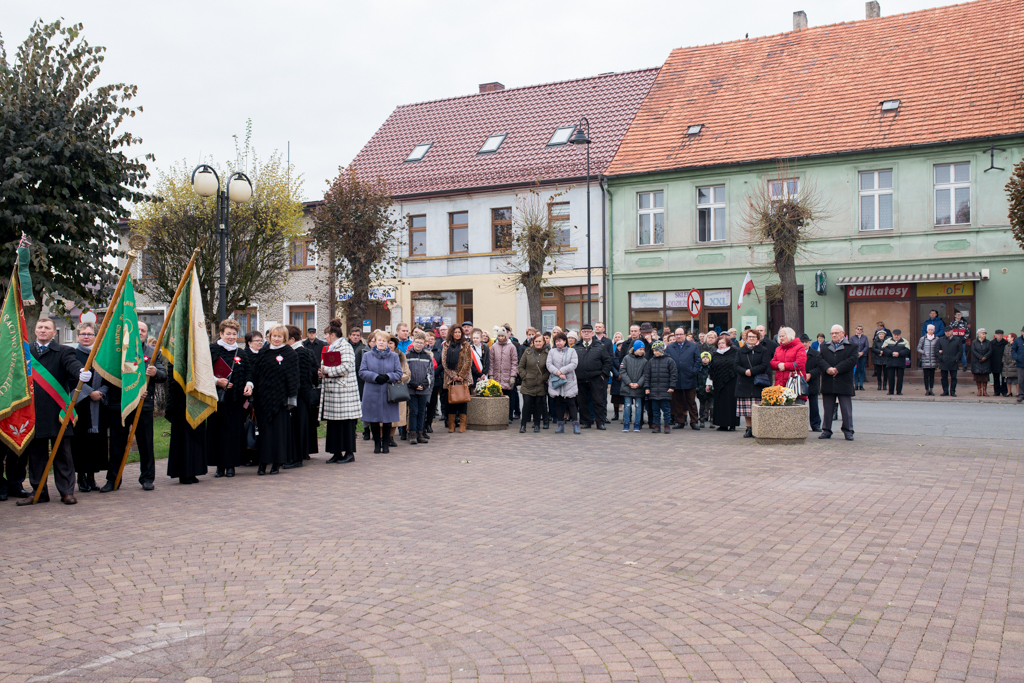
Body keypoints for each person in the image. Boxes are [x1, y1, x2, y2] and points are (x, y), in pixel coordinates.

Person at [18, 319, 88, 506]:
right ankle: (39, 491)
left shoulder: (64, 351)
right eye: (40, 327)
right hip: (33, 412)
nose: (43, 330)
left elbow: (71, 364)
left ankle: (66, 492)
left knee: (63, 454)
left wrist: (80, 371)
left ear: (54, 332)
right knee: (36, 455)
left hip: (58, 412)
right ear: (35, 330)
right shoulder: (25, 352)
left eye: (47, 328)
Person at [207, 319, 253, 479]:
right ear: (221, 334)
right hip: (217, 400)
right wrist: (216, 381)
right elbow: (204, 371)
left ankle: (231, 465)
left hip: (235, 401)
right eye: (228, 334)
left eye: (234, 334)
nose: (231, 337)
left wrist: (249, 385)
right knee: (217, 433)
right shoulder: (212, 349)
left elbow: (249, 372)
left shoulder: (240, 352)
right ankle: (219, 466)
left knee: (233, 433)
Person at [250, 325, 298, 474]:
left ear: (284, 338)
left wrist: (291, 398)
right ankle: (263, 463)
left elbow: (294, 377)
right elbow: (255, 374)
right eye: (274, 336)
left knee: (278, 432)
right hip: (263, 399)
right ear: (269, 337)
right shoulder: (263, 352)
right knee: (264, 433)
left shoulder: (290, 353)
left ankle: (277, 462)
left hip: (280, 400)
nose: (276, 339)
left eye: (279, 336)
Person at [70, 323, 107, 493]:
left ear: (95, 336)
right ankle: (81, 478)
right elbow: (70, 378)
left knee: (95, 443)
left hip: (99, 405)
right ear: (78, 336)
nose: (86, 336)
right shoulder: (72, 355)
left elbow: (109, 378)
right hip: (80, 405)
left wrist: (101, 392)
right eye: (83, 333)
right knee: (80, 442)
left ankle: (92, 477)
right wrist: (89, 392)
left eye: (90, 334)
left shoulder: (101, 356)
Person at [130, 321, 167, 490]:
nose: (140, 332)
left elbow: (163, 375)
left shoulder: (153, 353)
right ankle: (113, 478)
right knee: (118, 443)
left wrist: (155, 373)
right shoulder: (120, 351)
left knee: (146, 443)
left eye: (143, 330)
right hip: (123, 404)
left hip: (144, 404)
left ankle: (147, 478)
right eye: (137, 329)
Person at [319, 321, 359, 463]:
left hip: (343, 392)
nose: (325, 337)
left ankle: (349, 453)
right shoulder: (331, 348)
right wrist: (321, 371)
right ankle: (336, 452)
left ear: (333, 335)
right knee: (334, 425)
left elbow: (346, 367)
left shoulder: (345, 347)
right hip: (333, 392)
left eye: (327, 334)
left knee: (346, 424)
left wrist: (326, 370)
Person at [359, 330, 403, 453]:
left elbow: (399, 373)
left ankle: (386, 444)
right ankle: (377, 444)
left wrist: (388, 376)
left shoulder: (394, 356)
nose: (381, 343)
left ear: (388, 343)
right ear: (375, 342)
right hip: (372, 391)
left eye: (384, 341)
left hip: (387, 391)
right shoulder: (367, 355)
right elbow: (362, 372)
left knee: (387, 419)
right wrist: (375, 377)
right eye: (379, 340)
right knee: (373, 419)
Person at [284, 325, 317, 468]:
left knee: (298, 426)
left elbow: (303, 378)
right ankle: (296, 455)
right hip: (298, 395)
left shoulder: (300, 353)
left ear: (292, 339)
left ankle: (297, 458)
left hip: (300, 396)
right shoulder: (298, 351)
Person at [816, 324, 857, 440]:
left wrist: (837, 369)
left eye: (836, 333)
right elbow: (819, 359)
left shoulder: (852, 346)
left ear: (843, 333)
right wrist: (828, 368)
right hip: (828, 381)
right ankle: (826, 430)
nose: (834, 335)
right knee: (828, 409)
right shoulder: (824, 346)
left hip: (844, 381)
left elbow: (852, 360)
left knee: (846, 409)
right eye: (832, 333)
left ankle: (848, 431)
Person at [733, 329, 770, 438]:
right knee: (747, 409)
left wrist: (752, 371)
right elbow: (736, 365)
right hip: (744, 382)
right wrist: (745, 372)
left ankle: (757, 428)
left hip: (758, 382)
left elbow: (764, 365)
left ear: (758, 338)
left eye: (753, 337)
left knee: (757, 407)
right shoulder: (740, 350)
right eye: (749, 337)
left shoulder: (763, 350)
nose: (751, 339)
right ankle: (749, 428)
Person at [575, 324, 612, 429]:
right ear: (581, 333)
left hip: (596, 378)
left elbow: (607, 361)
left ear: (592, 333)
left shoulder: (600, 346)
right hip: (580, 379)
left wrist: (603, 374)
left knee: (598, 401)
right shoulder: (576, 347)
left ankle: (600, 422)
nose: (586, 333)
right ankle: (586, 422)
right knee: (582, 402)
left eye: (588, 331)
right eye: (584, 331)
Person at [666, 327, 701, 430]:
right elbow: (667, 361)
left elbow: (698, 361)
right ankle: (680, 421)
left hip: (689, 378)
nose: (679, 336)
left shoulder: (693, 346)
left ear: (685, 335)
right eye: (677, 334)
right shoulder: (670, 347)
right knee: (677, 402)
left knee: (691, 402)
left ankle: (694, 422)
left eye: (681, 334)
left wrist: (693, 372)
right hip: (676, 379)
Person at [546, 332, 580, 434]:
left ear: (565, 341)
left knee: (571, 403)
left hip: (569, 381)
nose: (558, 343)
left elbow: (574, 363)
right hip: (556, 380)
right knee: (558, 403)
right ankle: (560, 425)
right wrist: (558, 373)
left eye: (560, 341)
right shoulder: (552, 352)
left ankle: (575, 425)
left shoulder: (572, 351)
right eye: (556, 341)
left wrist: (563, 371)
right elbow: (548, 364)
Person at [442, 325, 473, 433]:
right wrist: (453, 375)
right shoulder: (446, 345)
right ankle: (451, 424)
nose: (457, 334)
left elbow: (469, 361)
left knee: (463, 401)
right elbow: (444, 362)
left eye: (459, 332)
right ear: (451, 333)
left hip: (463, 378)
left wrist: (460, 375)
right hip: (451, 379)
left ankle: (463, 424)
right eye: (455, 332)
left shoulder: (466, 345)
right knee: (451, 401)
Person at [517, 332, 549, 432]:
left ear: (544, 342)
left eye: (540, 341)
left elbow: (548, 369)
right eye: (536, 341)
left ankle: (537, 424)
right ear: (533, 342)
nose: (538, 343)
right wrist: (524, 376)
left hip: (540, 384)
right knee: (527, 404)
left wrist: (544, 377)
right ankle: (523, 425)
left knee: (538, 405)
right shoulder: (528, 352)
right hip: (528, 384)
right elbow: (520, 366)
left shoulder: (547, 354)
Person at [405, 330, 433, 444]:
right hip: (411, 388)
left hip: (424, 389)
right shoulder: (407, 355)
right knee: (413, 411)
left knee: (422, 411)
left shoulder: (427, 356)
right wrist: (413, 384)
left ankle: (420, 433)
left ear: (424, 343)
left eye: (421, 343)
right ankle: (412, 434)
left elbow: (430, 373)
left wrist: (424, 384)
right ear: (413, 341)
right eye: (417, 342)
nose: (419, 345)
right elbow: (405, 372)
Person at [643, 341, 677, 433]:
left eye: (657, 350)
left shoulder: (670, 361)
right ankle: (656, 425)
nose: (655, 352)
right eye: (654, 351)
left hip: (665, 390)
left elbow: (673, 375)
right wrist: (647, 387)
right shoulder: (651, 362)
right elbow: (647, 376)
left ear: (662, 350)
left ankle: (667, 425)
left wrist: (671, 386)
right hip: (654, 391)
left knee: (666, 409)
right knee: (655, 410)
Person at [489, 327, 519, 423]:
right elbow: (491, 362)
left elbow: (515, 362)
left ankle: (509, 416)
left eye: (502, 336)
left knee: (509, 398)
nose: (501, 338)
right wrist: (491, 375)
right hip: (497, 376)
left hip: (507, 376)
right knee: (497, 398)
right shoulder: (494, 346)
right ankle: (498, 416)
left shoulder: (511, 347)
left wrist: (513, 376)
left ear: (506, 336)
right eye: (499, 336)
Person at [709, 336, 738, 432]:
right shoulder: (715, 354)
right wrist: (709, 383)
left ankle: (732, 424)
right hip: (718, 382)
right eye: (719, 343)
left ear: (727, 344)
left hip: (732, 381)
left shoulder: (734, 352)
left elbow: (736, 366)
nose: (721, 345)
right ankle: (722, 424)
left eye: (723, 343)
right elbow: (711, 369)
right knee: (720, 403)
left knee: (731, 403)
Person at [386, 336, 411, 447]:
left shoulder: (401, 356)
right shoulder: (379, 355)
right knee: (383, 416)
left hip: (396, 388)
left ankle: (391, 437)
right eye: (387, 343)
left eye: (391, 343)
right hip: (383, 388)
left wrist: (397, 378)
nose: (388, 345)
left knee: (396, 415)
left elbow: (407, 373)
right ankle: (382, 437)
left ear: (395, 345)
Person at [347, 327, 371, 442]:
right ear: (349, 336)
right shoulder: (346, 347)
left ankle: (366, 430)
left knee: (363, 405)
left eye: (357, 335)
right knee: (350, 406)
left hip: (360, 381)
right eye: (353, 335)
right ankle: (352, 430)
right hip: (348, 380)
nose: (355, 337)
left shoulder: (364, 349)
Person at [618, 340, 647, 433]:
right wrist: (629, 383)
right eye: (640, 349)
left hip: (639, 387)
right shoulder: (626, 358)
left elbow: (645, 374)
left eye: (643, 349)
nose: (642, 351)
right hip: (627, 387)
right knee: (627, 405)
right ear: (635, 349)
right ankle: (626, 424)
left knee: (638, 406)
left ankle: (637, 424)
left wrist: (639, 383)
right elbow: (622, 371)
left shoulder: (644, 361)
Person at [427, 324, 447, 431]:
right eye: (428, 339)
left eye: (432, 339)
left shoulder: (439, 351)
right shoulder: (424, 351)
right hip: (424, 380)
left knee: (432, 402)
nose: (430, 341)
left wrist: (433, 373)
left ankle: (429, 424)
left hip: (435, 379)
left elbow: (442, 364)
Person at [801, 334, 822, 432]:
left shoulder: (816, 354)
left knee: (814, 405)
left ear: (809, 343)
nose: (804, 344)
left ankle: (815, 424)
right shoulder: (797, 353)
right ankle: (800, 424)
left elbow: (820, 368)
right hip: (800, 382)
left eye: (806, 342)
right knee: (800, 404)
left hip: (812, 382)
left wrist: (811, 374)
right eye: (802, 342)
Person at [881, 329, 910, 395]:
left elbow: (907, 350)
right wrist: (891, 353)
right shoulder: (887, 341)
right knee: (890, 377)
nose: (896, 336)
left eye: (898, 335)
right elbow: (884, 349)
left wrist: (899, 354)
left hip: (900, 362)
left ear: (900, 335)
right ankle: (891, 391)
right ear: (893, 335)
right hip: (890, 361)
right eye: (895, 335)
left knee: (900, 378)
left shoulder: (905, 341)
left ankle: (899, 391)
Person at [937, 326, 963, 397]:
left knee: (954, 378)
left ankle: (953, 391)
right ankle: (945, 391)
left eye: (949, 331)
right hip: (944, 361)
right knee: (944, 378)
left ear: (952, 331)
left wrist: (956, 358)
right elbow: (937, 350)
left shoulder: (957, 339)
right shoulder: (941, 339)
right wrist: (941, 358)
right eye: (946, 332)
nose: (947, 333)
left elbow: (960, 350)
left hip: (953, 361)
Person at [917, 324, 940, 396]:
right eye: (929, 330)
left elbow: (938, 348)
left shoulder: (937, 338)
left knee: (932, 376)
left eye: (932, 330)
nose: (930, 331)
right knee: (926, 376)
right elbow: (918, 348)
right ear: (927, 330)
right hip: (925, 360)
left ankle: (931, 389)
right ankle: (926, 390)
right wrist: (923, 352)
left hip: (933, 360)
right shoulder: (923, 338)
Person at [971, 328, 992, 397]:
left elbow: (990, 351)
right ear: (978, 334)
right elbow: (973, 351)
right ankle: (979, 391)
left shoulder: (988, 342)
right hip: (977, 362)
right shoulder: (974, 342)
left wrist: (985, 357)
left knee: (985, 377)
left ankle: (985, 391)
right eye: (983, 334)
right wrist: (980, 357)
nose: (984, 335)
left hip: (986, 362)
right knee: (978, 377)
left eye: (985, 334)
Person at [609, 332, 625, 421]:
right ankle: (616, 414)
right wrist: (616, 374)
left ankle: (625, 416)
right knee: (615, 398)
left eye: (622, 345)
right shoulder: (613, 355)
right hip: (616, 378)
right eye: (619, 346)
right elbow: (611, 365)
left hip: (624, 379)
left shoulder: (626, 356)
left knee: (624, 397)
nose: (620, 347)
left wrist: (622, 375)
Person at [850, 325, 870, 390]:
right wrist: (856, 353)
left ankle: (861, 385)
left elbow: (866, 346)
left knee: (862, 370)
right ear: (855, 330)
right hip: (855, 356)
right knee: (856, 370)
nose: (859, 330)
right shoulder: (852, 338)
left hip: (863, 356)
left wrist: (862, 352)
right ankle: (856, 385)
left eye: (860, 329)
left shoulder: (865, 337)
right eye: (858, 329)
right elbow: (851, 346)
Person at [696, 351, 712, 428]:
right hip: (701, 390)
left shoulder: (711, 368)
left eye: (707, 358)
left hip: (711, 391)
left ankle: (712, 421)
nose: (705, 359)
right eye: (703, 358)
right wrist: (697, 388)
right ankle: (702, 420)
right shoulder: (699, 368)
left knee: (711, 406)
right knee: (702, 406)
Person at [990, 330, 1008, 396]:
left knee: (1004, 378)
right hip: (994, 363)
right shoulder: (992, 343)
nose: (999, 336)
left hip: (1003, 363)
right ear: (996, 335)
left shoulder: (1006, 343)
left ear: (1003, 335)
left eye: (1001, 334)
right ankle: (996, 391)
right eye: (998, 335)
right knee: (996, 378)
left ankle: (1004, 391)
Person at [1001, 333, 1017, 397]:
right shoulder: (1006, 346)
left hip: (1014, 364)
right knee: (1007, 379)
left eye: (1009, 337)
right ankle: (1009, 392)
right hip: (1007, 364)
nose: (1007, 338)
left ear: (1013, 338)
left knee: (1016, 380)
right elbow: (1004, 355)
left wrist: (1015, 362)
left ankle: (1018, 392)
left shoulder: (1016, 345)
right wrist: (1004, 361)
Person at [1012, 326, 1024, 402]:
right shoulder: (1017, 340)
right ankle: (1021, 394)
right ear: (1022, 332)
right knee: (1021, 380)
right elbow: (1013, 350)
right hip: (1020, 363)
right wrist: (1017, 358)